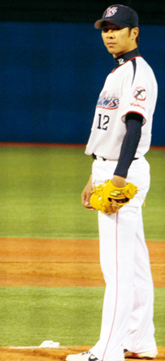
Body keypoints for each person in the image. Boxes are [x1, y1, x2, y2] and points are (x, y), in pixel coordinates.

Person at [67, 5, 158, 361]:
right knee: (133, 263)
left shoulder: (137, 72)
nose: (109, 34)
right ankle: (141, 340)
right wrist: (95, 175)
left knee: (117, 269)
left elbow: (134, 127)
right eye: (105, 28)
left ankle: (106, 352)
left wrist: (117, 177)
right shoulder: (118, 72)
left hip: (124, 172)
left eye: (117, 28)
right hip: (110, 168)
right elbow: (111, 130)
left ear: (134, 32)